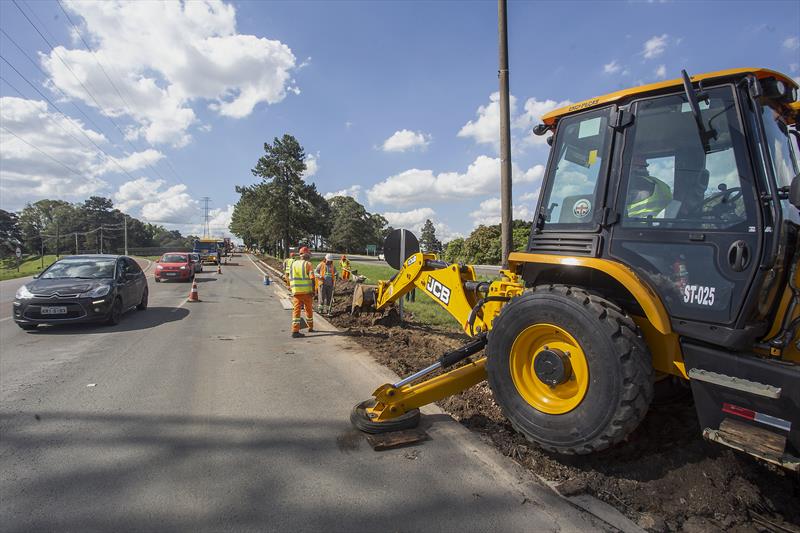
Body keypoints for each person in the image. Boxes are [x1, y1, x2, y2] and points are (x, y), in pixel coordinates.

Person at [289, 247, 314, 338]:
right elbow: (312, 278)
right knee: (308, 310)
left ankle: (295, 331)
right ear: (307, 255)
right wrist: (313, 290)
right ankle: (310, 327)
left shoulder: (293, 264)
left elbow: (289, 277)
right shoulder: (308, 264)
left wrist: (291, 288)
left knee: (296, 311)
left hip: (296, 292)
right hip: (307, 292)